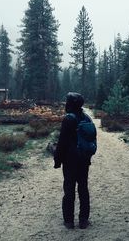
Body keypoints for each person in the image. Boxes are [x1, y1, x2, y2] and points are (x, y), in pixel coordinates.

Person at [54, 92, 94, 229]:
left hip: (70, 160)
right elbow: (90, 140)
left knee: (69, 189)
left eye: (67, 102)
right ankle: (83, 220)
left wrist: (57, 160)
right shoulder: (87, 118)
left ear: (71, 104)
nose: (65, 104)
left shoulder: (68, 119)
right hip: (84, 159)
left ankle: (69, 221)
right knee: (83, 188)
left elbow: (62, 142)